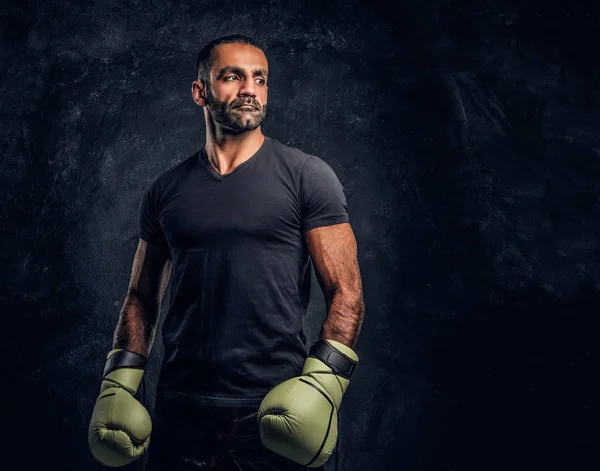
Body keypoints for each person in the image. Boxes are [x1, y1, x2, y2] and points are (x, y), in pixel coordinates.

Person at [87, 34, 365, 471]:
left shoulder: (309, 176)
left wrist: (323, 383)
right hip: (181, 407)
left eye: (260, 78)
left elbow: (347, 292)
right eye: (232, 77)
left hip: (277, 408)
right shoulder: (165, 190)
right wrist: (119, 382)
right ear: (200, 91)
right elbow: (140, 298)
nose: (249, 89)